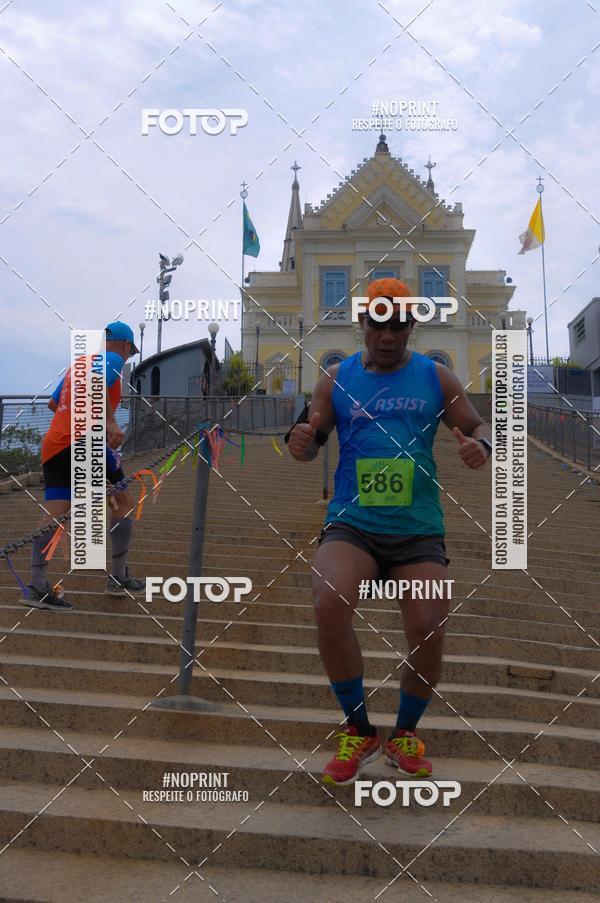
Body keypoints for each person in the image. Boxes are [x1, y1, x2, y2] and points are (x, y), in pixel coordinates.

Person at [287, 278, 492, 786]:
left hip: (417, 528)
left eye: (398, 325)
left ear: (411, 327)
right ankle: (359, 730)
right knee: (327, 600)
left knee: (429, 627)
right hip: (353, 522)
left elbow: (480, 425)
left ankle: (404, 733)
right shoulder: (335, 378)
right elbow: (310, 441)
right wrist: (302, 444)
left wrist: (480, 447)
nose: (387, 335)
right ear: (363, 323)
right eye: (378, 324)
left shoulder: (436, 377)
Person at [22, 321, 147, 610]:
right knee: (125, 500)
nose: (127, 357)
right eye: (130, 352)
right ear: (125, 345)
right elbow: (96, 386)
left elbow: (54, 406)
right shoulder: (111, 358)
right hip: (82, 442)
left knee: (56, 512)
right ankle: (118, 577)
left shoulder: (77, 365)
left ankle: (37, 585)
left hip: (55, 444)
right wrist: (110, 421)